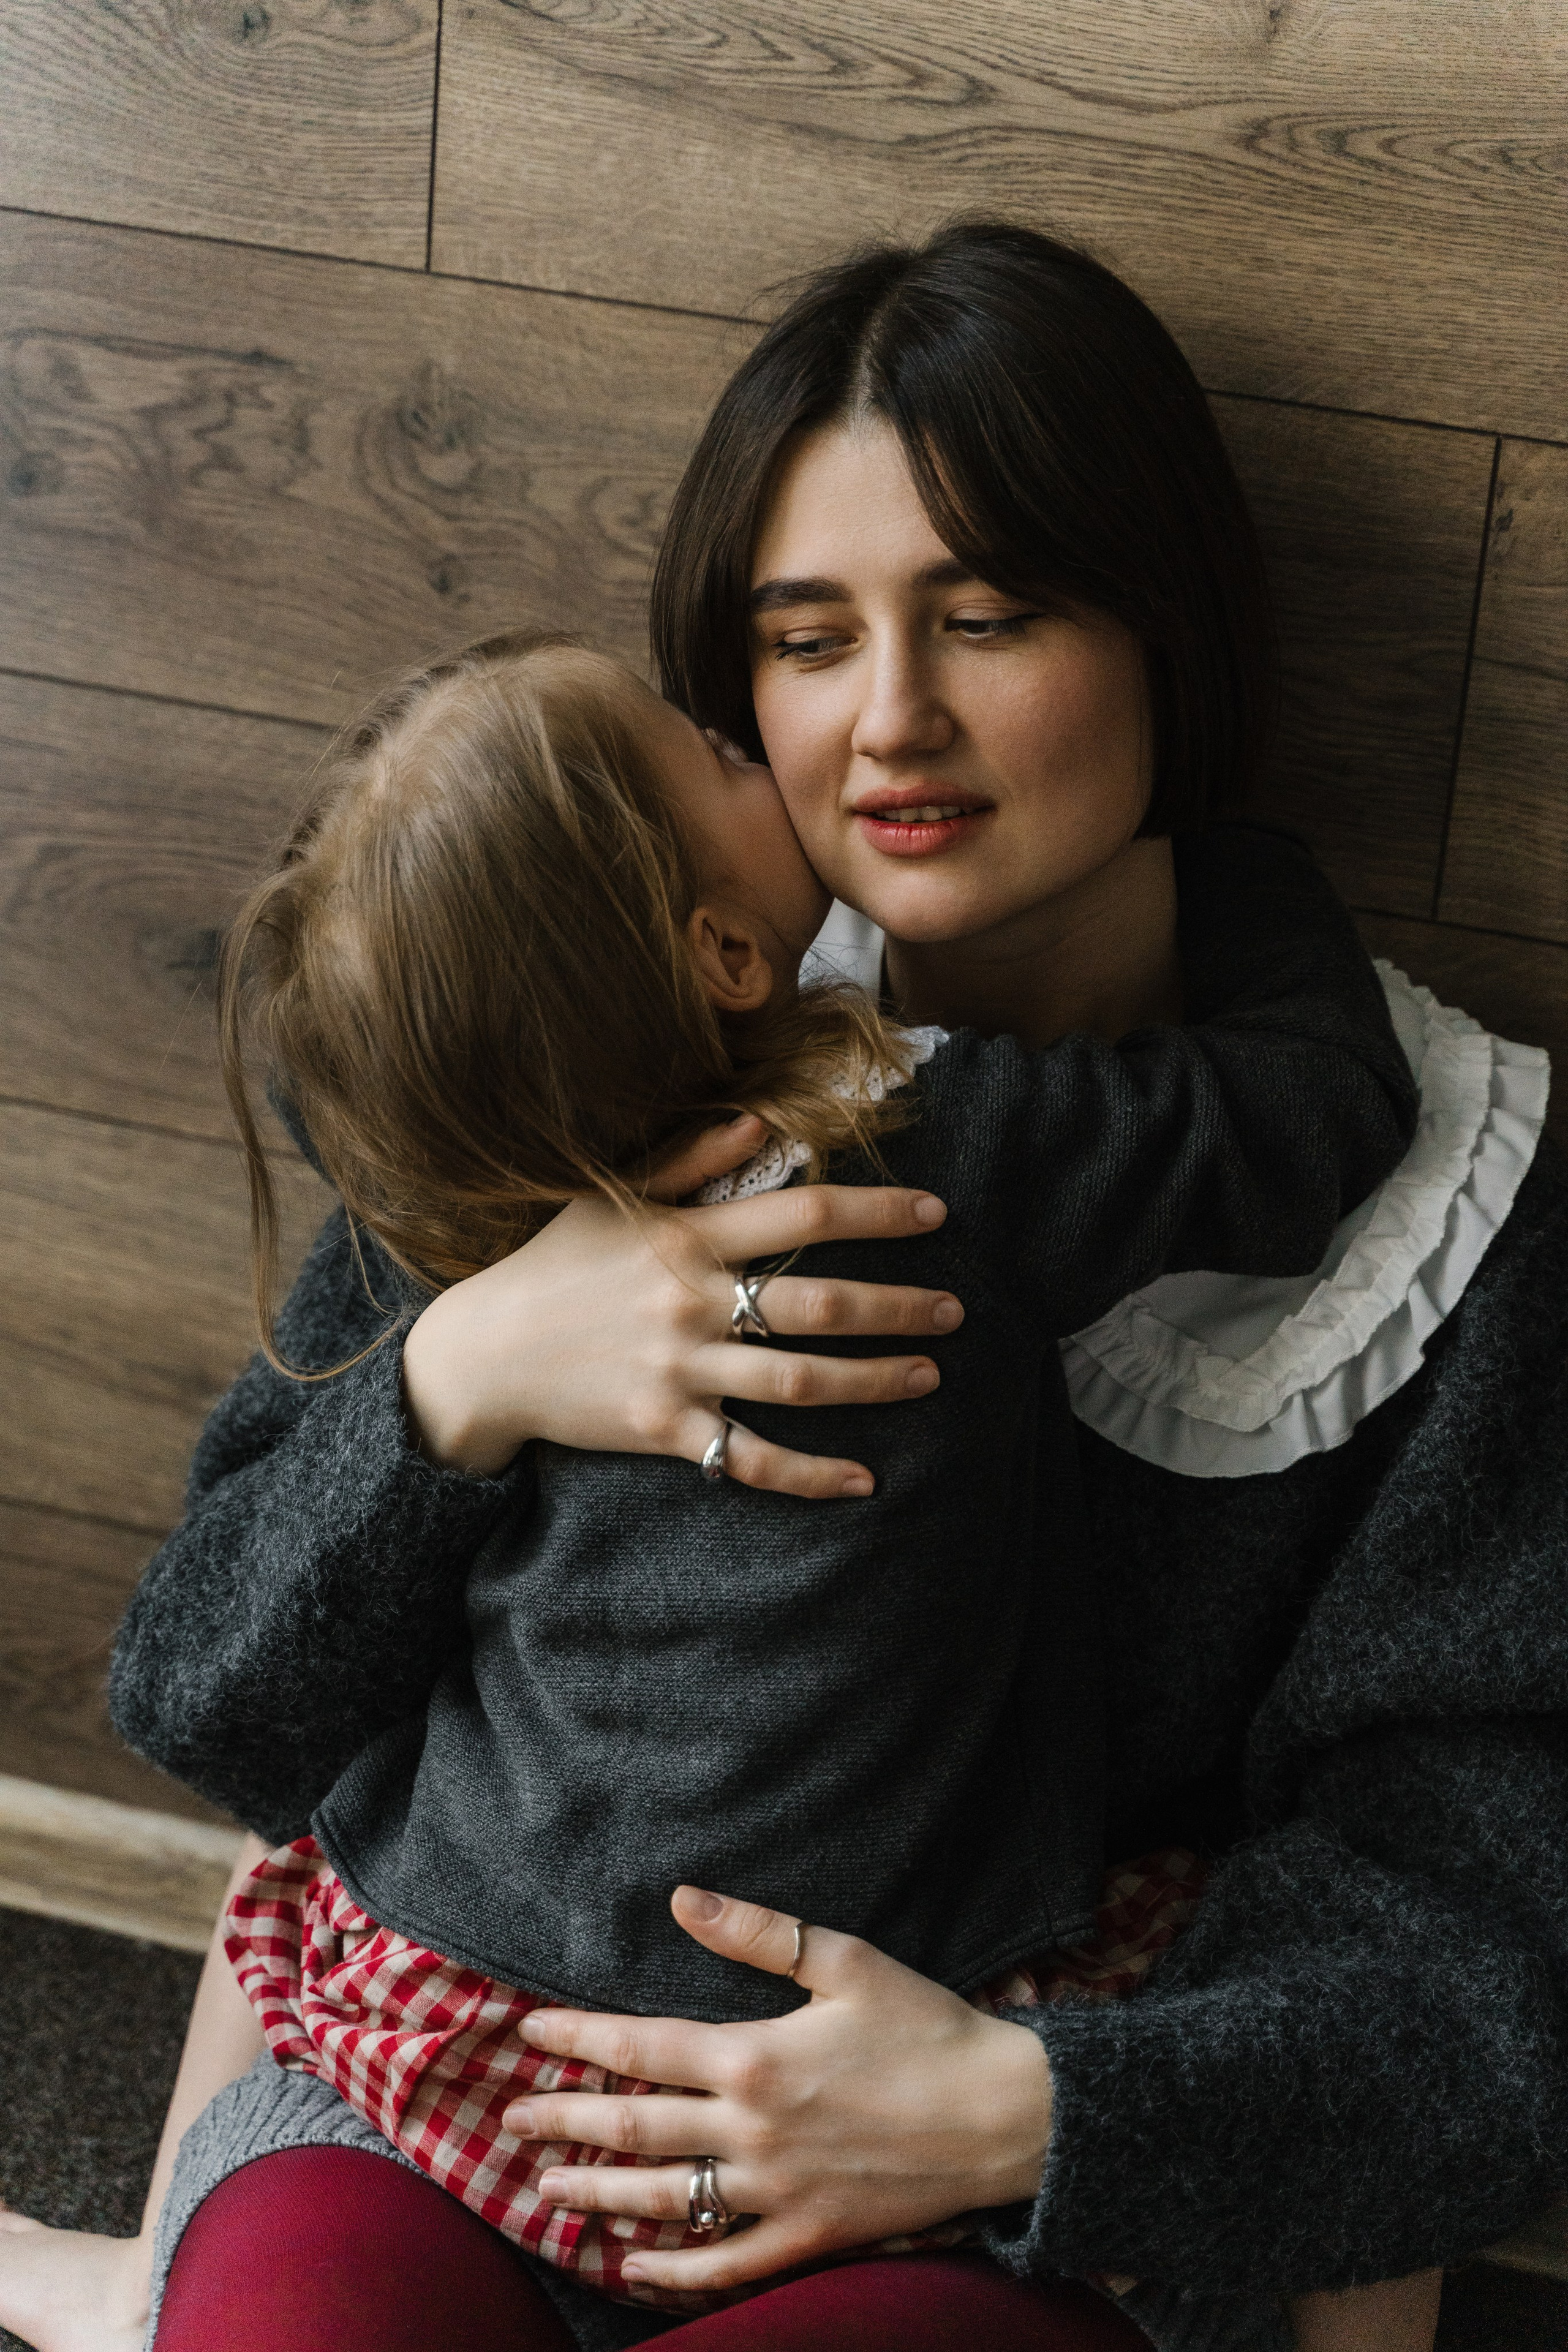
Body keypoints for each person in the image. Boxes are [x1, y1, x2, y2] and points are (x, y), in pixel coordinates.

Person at [2, 221, 1561, 2352]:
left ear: (1169, 635)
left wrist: (1018, 2107)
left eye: (991, 615)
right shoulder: (565, 1035)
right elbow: (213, 1696)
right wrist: (453, 1382)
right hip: (451, 2086)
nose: (892, 721)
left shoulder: (1452, 1208)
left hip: (981, 2172)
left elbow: (1483, 1960)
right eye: (802, 644)